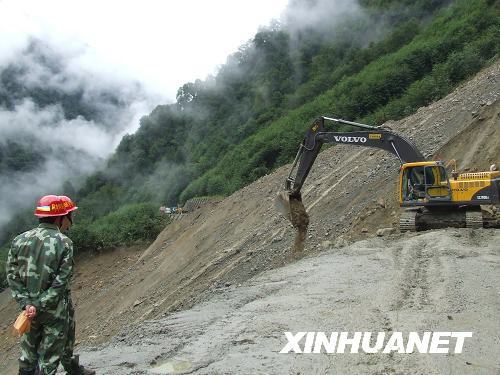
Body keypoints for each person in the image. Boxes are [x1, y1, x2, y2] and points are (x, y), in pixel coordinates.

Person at [6, 195, 94, 375]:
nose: (71, 220)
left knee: (28, 357)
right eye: (69, 215)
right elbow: (61, 281)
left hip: (28, 311)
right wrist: (40, 304)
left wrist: (27, 304)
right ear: (59, 218)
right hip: (54, 311)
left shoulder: (19, 240)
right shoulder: (64, 242)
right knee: (50, 359)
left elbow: (12, 277)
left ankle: (72, 369)